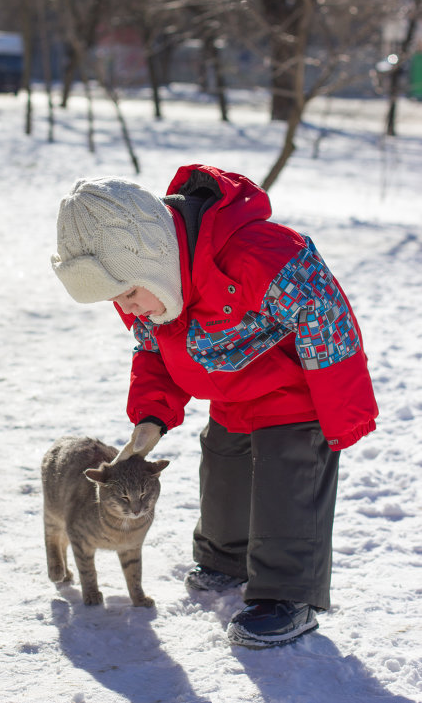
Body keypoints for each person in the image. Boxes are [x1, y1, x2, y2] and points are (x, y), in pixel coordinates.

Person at [50, 164, 378, 649]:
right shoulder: (149, 289)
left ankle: (288, 596)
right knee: (225, 477)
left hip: (294, 394)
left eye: (128, 293)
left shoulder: (260, 255)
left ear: (152, 257)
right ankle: (225, 558)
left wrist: (343, 417)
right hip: (231, 394)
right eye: (116, 299)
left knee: (286, 483)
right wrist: (150, 419)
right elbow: (154, 351)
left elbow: (330, 323)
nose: (128, 307)